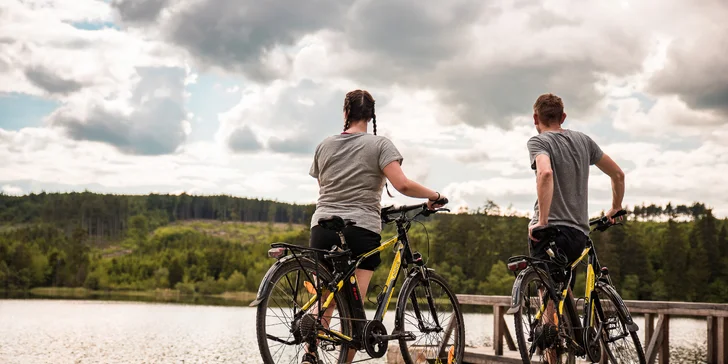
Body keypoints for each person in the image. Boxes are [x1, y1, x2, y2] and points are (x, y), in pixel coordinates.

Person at [302, 89, 447, 364]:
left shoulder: (324, 145)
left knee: (327, 300)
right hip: (360, 230)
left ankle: (311, 353)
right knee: (354, 317)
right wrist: (434, 196)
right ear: (371, 115)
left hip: (321, 227)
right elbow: (402, 185)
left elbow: (325, 188)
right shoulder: (380, 145)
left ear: (345, 113)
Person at [526, 93, 625, 362]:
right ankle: (578, 333)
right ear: (563, 117)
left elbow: (545, 173)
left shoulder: (538, 140)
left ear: (536, 118)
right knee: (563, 285)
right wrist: (615, 208)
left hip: (551, 232)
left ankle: (553, 355)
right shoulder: (584, 141)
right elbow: (618, 174)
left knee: (547, 299)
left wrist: (542, 222)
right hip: (578, 235)